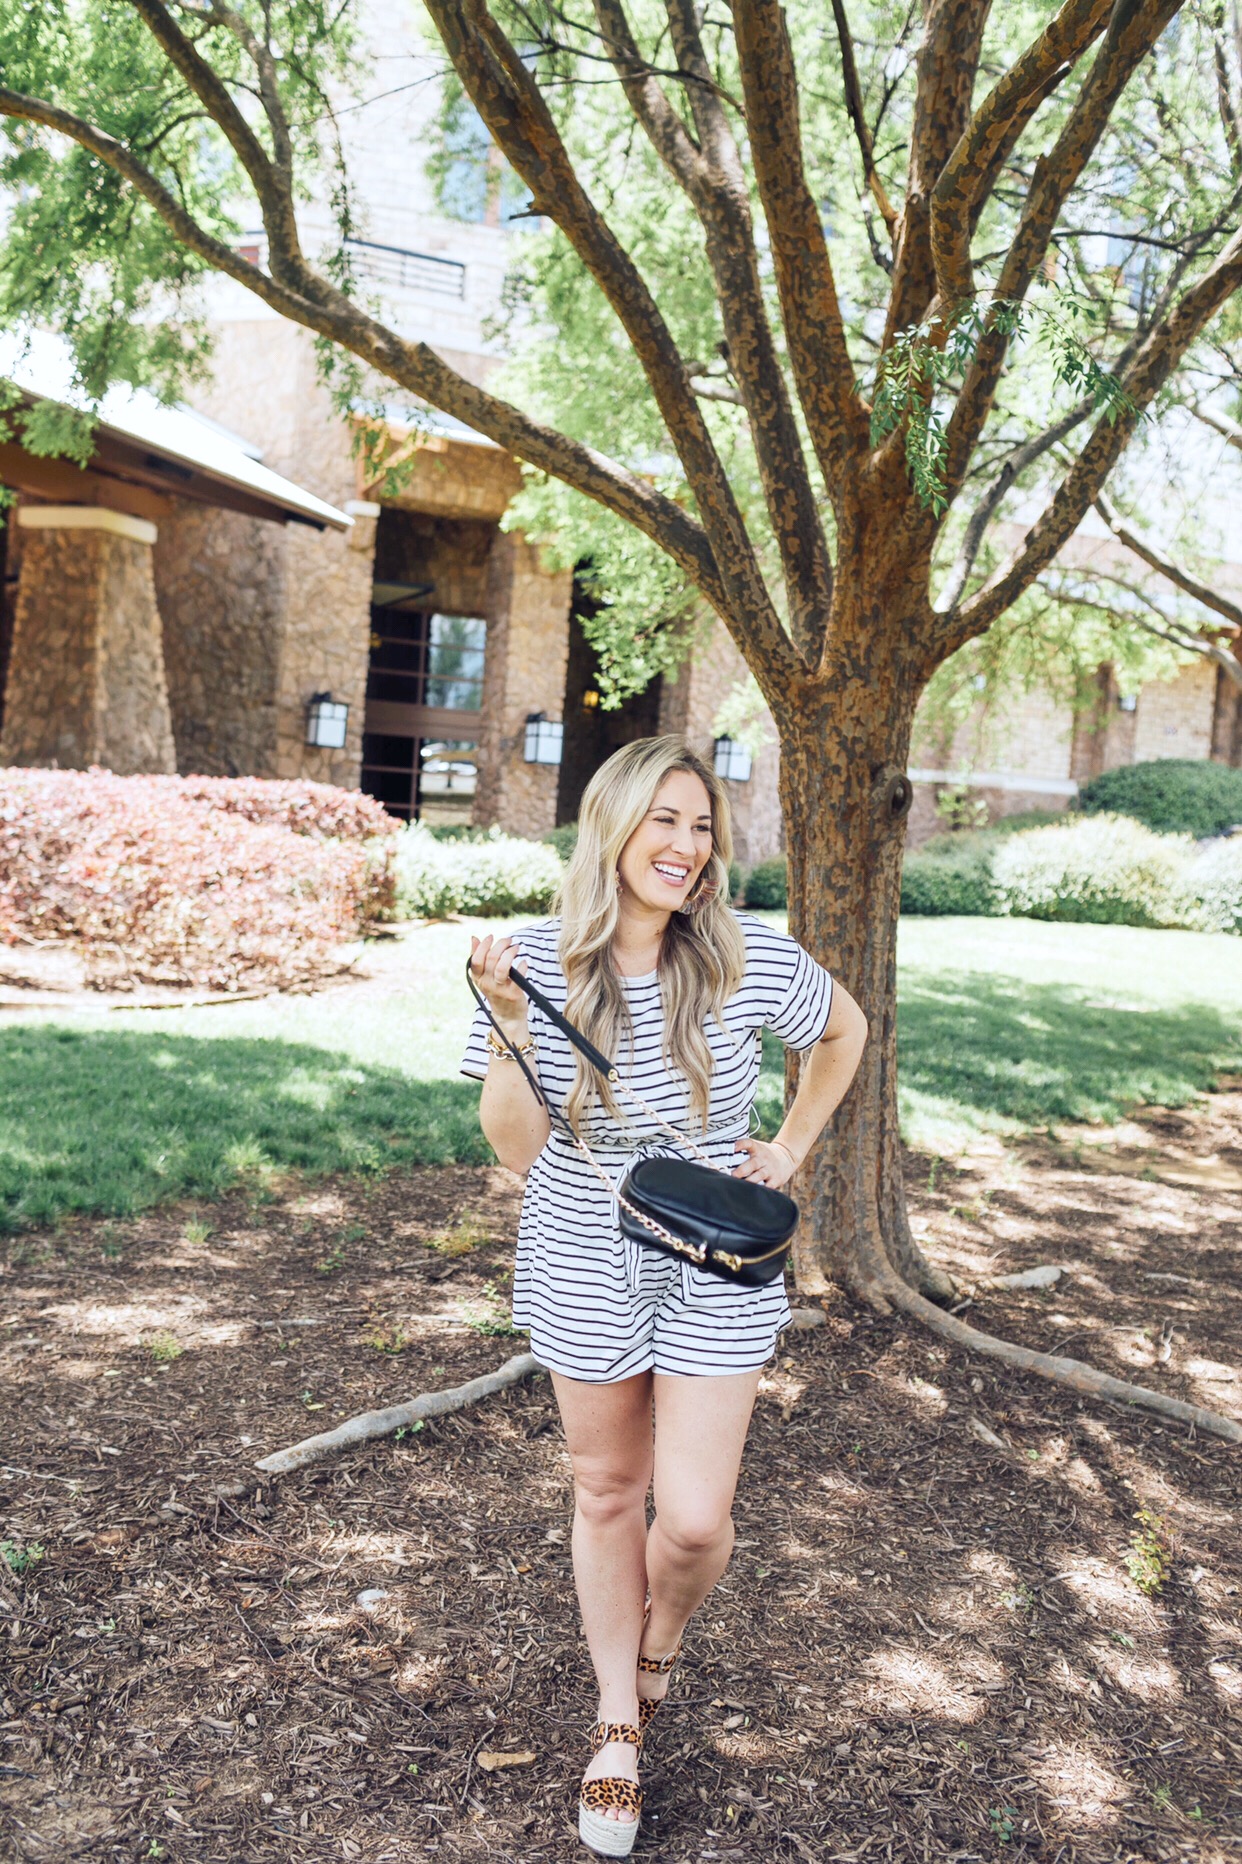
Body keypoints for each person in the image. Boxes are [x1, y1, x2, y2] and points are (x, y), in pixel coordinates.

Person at [461, 735, 867, 1857]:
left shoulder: (742, 955)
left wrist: (787, 1147)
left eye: (702, 827)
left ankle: (658, 1644)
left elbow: (845, 1032)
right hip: (584, 1254)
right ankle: (616, 1722)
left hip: (710, 1257)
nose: (685, 847)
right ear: (614, 825)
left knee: (689, 1520)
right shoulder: (535, 958)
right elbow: (515, 1148)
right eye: (664, 821)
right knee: (607, 1491)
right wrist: (507, 1018)